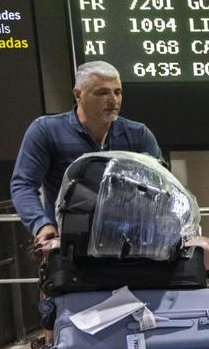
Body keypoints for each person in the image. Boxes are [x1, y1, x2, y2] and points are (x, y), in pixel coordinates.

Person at [9, 61, 162, 248]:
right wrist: (41, 224)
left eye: (117, 92)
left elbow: (162, 185)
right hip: (70, 242)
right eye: (102, 92)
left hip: (128, 243)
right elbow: (23, 184)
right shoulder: (46, 130)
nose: (113, 100)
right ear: (78, 95)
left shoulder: (138, 133)